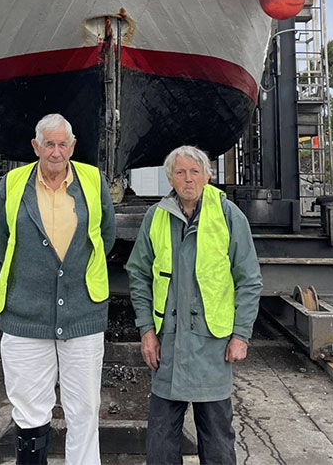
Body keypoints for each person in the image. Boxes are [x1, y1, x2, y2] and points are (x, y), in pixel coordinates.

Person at [126, 145, 262, 465]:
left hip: (212, 347)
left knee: (217, 444)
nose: (188, 179)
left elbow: (249, 279)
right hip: (167, 348)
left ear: (207, 176)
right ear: (170, 179)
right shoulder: (156, 217)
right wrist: (146, 331)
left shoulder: (228, 215)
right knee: (160, 445)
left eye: (194, 172)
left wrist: (241, 334)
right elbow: (138, 275)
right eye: (180, 172)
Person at [0, 113, 116, 465]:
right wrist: (35, 275)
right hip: (25, 315)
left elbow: (104, 235)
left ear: (73, 147)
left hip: (82, 314)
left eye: (63, 144)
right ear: (36, 146)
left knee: (84, 410)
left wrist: (74, 270)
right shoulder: (13, 183)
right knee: (29, 412)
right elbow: (4, 241)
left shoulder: (93, 180)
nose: (56, 152)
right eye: (49, 144)